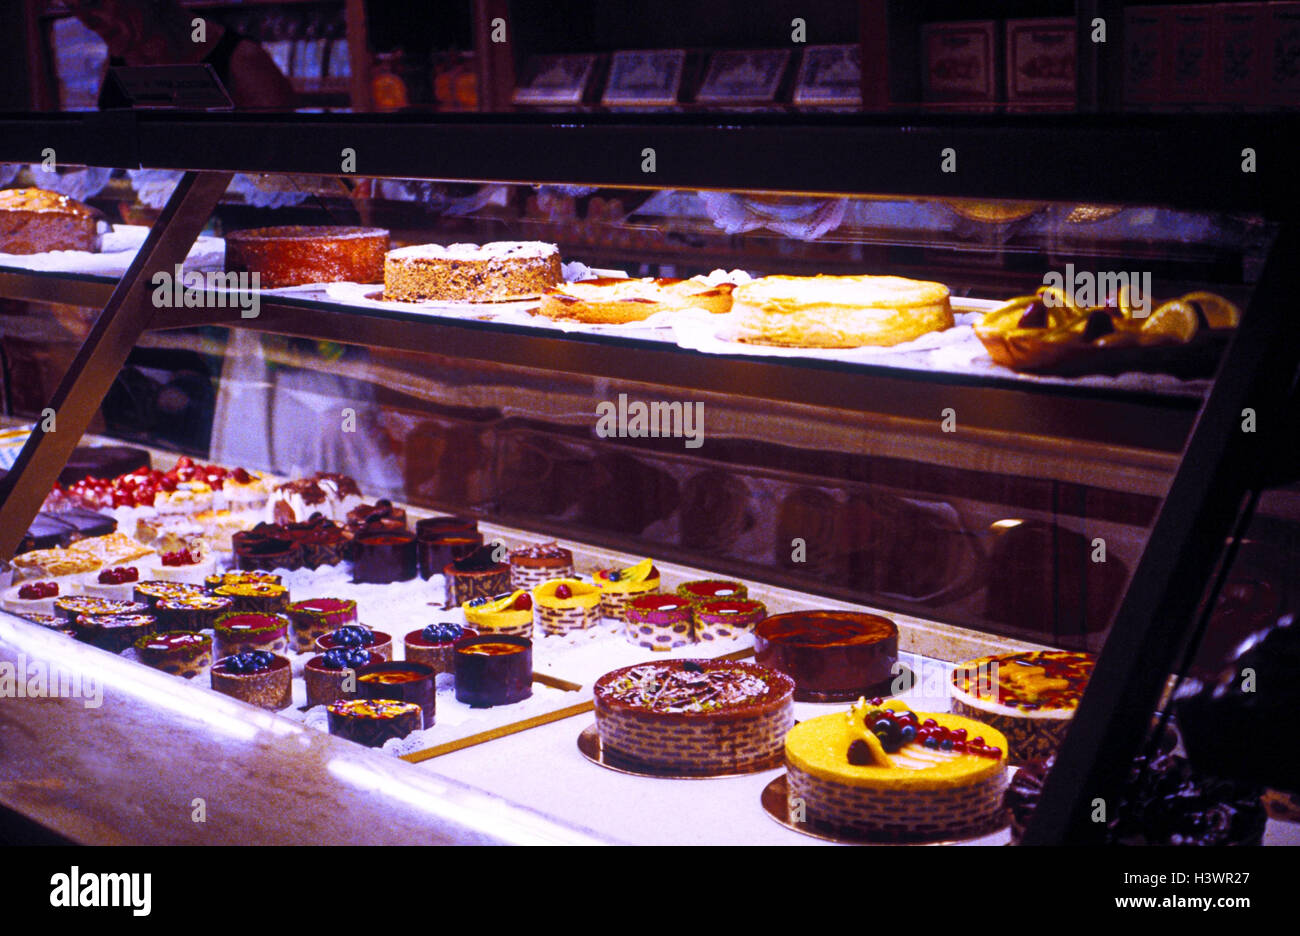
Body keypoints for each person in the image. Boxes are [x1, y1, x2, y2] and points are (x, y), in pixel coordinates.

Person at [65, 0, 295, 109]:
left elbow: (284, 165)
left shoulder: (241, 59)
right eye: (72, 8)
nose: (85, 20)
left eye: (91, 2)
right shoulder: (115, 62)